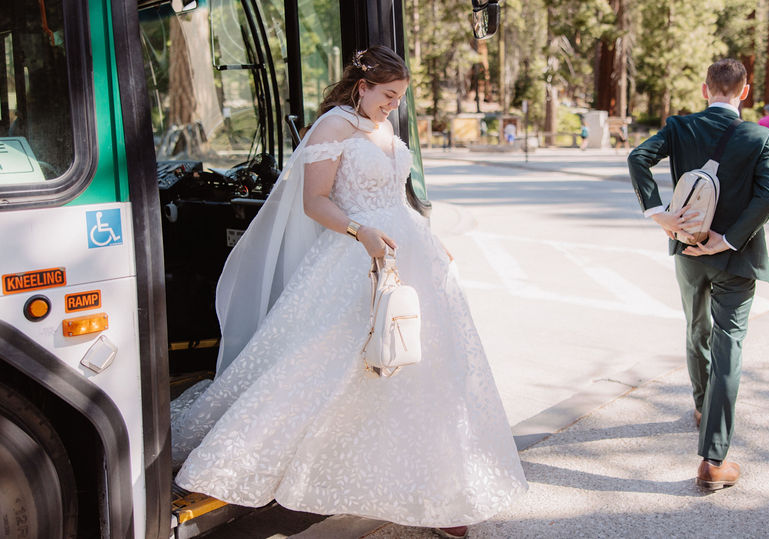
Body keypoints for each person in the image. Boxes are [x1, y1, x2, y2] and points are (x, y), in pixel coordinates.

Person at [170, 46, 526, 538]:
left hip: (405, 248)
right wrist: (362, 233)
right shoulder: (332, 127)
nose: (393, 106)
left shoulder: (382, 127)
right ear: (362, 87)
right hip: (354, 253)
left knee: (423, 366)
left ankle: (438, 493)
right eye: (387, 95)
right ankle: (254, 460)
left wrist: (427, 235)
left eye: (400, 98)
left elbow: (395, 194)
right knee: (327, 360)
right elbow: (315, 202)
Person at [627, 58, 769, 492]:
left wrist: (659, 214)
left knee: (696, 327)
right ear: (744, 92)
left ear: (704, 89)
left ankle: (700, 405)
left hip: (688, 247)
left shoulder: (680, 127)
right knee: (728, 343)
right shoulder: (761, 136)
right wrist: (728, 239)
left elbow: (639, 157)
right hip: (738, 255)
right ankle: (714, 460)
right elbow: (767, 200)